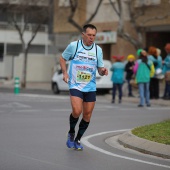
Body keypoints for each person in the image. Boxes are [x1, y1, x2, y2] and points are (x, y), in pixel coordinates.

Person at [59, 24, 108, 150]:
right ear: (83, 34)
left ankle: (78, 139)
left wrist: (103, 71)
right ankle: (71, 133)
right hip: (75, 84)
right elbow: (62, 58)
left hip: (90, 86)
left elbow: (100, 68)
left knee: (87, 115)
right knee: (77, 111)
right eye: (89, 35)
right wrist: (65, 73)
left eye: (94, 35)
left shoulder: (98, 50)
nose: (91, 38)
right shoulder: (74, 46)